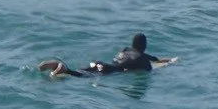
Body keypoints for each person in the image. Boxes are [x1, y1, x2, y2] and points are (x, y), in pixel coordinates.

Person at [39, 34, 173, 79]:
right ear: (144, 46)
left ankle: (59, 66)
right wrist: (171, 62)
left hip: (102, 63)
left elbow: (152, 59)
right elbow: (151, 65)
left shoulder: (126, 50)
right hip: (110, 70)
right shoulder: (143, 59)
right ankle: (63, 69)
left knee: (81, 72)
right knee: (83, 77)